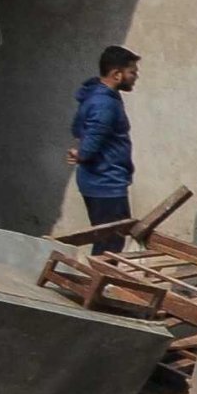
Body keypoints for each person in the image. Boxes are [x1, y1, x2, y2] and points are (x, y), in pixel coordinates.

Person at [68, 45, 139, 251]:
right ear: (117, 74)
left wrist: (80, 152)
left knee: (107, 239)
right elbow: (95, 134)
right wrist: (82, 153)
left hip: (100, 180)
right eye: (132, 72)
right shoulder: (104, 103)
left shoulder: (94, 96)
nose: (135, 77)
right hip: (106, 181)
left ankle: (100, 280)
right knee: (111, 241)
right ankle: (100, 281)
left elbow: (77, 128)